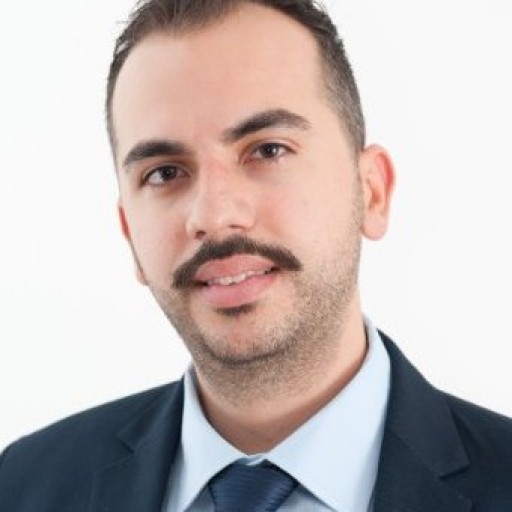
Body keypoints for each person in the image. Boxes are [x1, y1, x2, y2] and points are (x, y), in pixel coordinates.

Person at [1, 0, 511, 510]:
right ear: (130, 233)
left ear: (371, 192)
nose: (215, 214)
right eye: (164, 173)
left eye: (268, 150)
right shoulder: (23, 487)